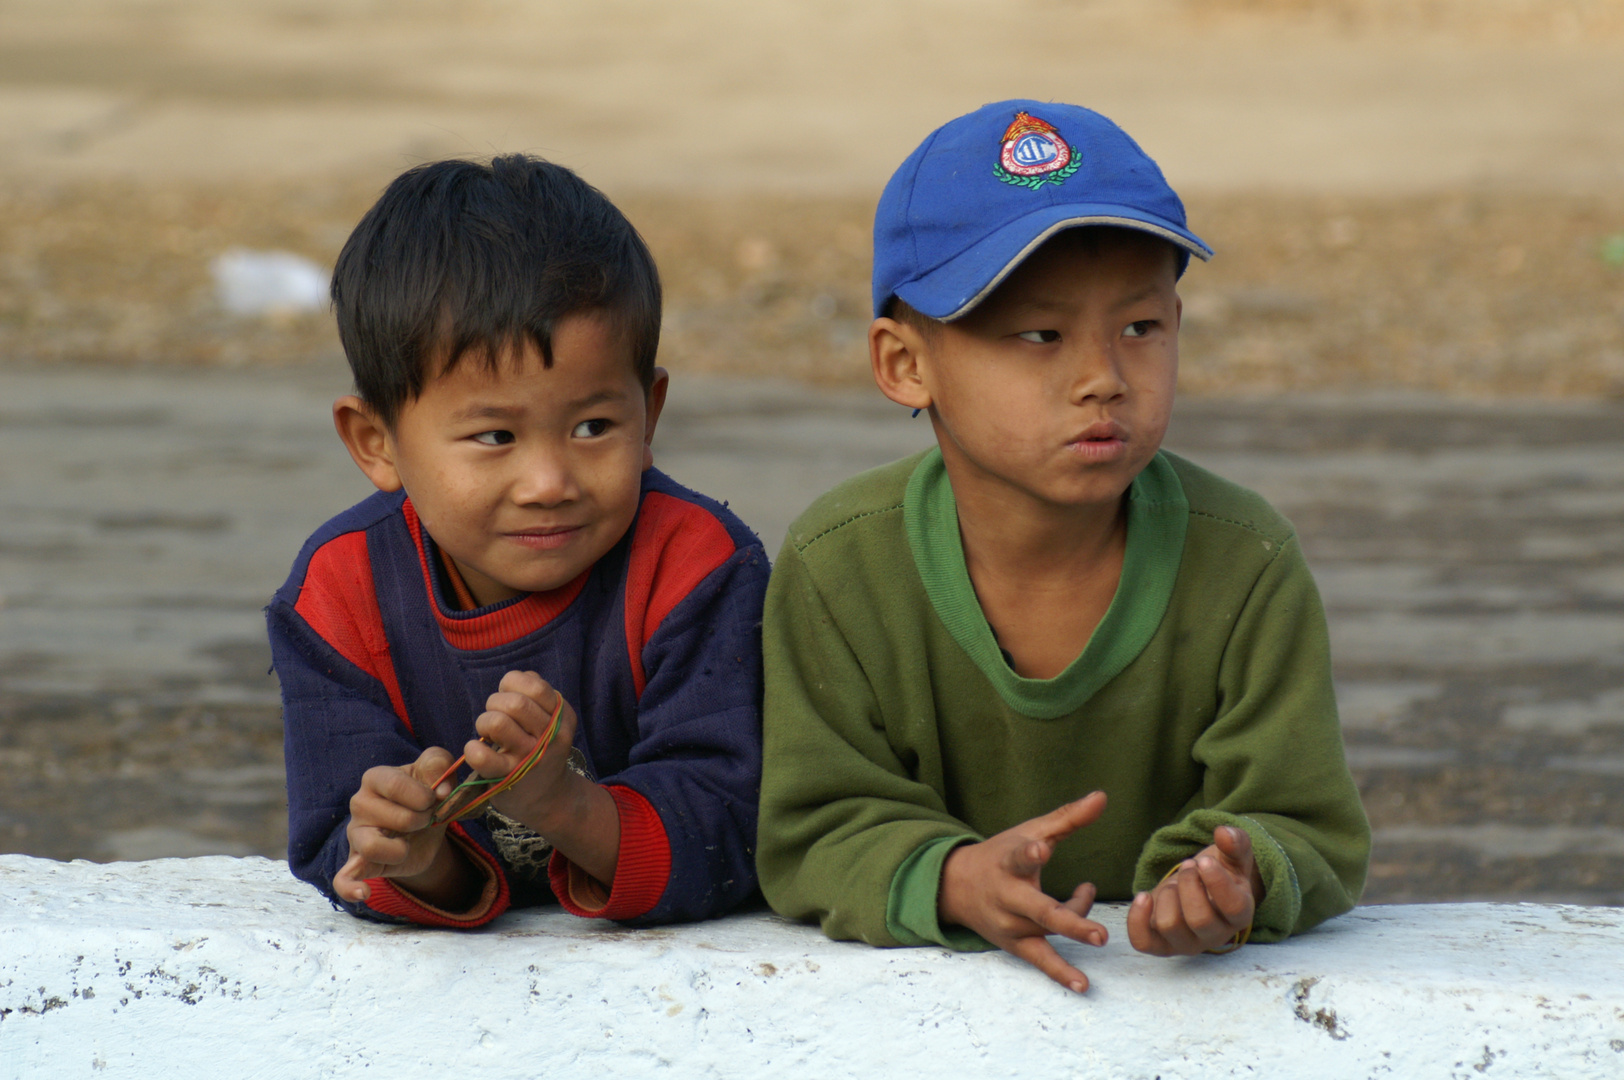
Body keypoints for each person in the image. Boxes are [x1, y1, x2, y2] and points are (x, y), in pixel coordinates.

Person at [756, 101, 1370, 991]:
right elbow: (812, 824)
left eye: (1141, 328)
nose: (1103, 379)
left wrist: (1232, 882)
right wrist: (950, 878)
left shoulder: (1246, 563)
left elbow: (1304, 820)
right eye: (1039, 335)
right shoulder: (839, 565)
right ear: (904, 364)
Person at [267, 155, 767, 929]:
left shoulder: (696, 564)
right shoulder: (339, 593)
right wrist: (413, 848)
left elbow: (737, 832)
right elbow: (337, 845)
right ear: (376, 443)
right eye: (494, 435)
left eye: (594, 427)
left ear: (651, 413)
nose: (548, 481)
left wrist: (565, 806)